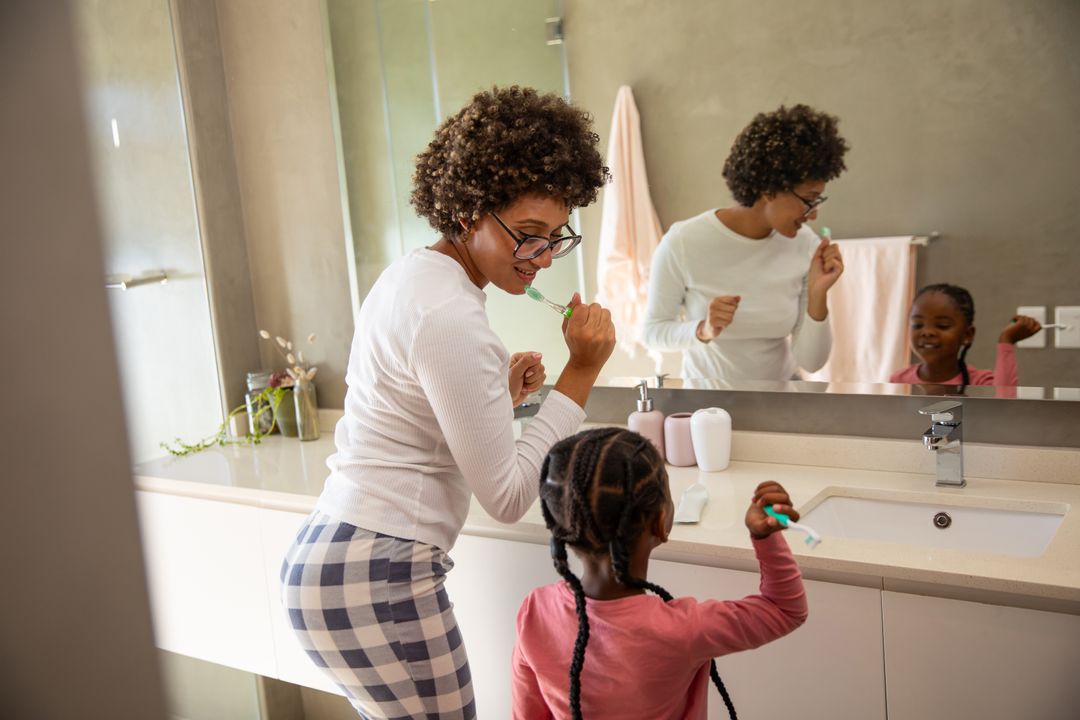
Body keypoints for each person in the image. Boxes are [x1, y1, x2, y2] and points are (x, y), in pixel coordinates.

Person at [280, 86, 616, 720]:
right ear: (467, 212)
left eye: (555, 236)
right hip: (378, 571)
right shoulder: (452, 315)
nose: (542, 257)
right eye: (528, 235)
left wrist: (498, 393)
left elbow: (412, 410)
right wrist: (581, 369)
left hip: (338, 558)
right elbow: (511, 497)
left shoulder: (415, 277)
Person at [512, 428, 808, 720]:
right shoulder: (682, 630)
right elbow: (785, 609)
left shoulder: (534, 612)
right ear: (661, 522)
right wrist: (764, 538)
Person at [642, 104, 849, 381]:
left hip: (782, 405)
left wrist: (817, 294)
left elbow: (811, 362)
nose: (814, 213)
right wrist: (703, 329)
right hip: (706, 413)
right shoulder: (683, 242)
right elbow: (652, 333)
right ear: (769, 189)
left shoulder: (805, 245)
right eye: (808, 199)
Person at [889, 283, 1041, 386]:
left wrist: (1006, 341)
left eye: (942, 325)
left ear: (967, 335)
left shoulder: (980, 382)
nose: (927, 332)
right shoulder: (899, 380)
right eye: (918, 325)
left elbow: (1004, 401)